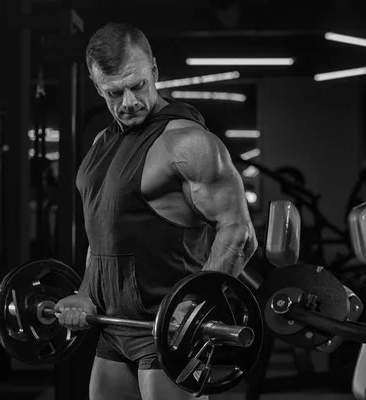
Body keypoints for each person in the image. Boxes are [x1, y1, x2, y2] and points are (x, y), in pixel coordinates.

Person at [54, 22, 258, 400]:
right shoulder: (102, 143)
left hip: (169, 332)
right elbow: (103, 237)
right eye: (114, 92)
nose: (129, 102)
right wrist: (85, 293)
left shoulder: (187, 142)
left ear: (155, 72)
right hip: (114, 329)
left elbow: (239, 233)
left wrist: (196, 309)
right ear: (98, 87)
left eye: (138, 85)